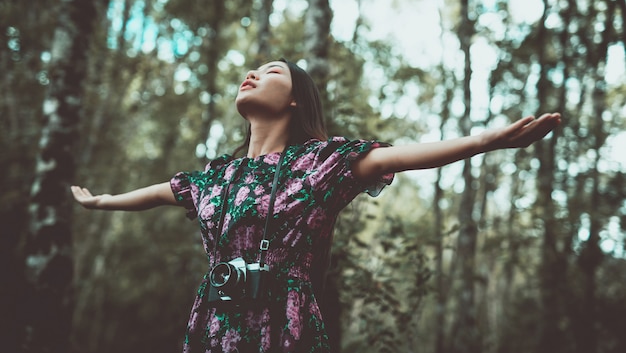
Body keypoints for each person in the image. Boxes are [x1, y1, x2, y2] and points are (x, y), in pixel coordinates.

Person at [71, 59, 561, 353]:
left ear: (295, 102)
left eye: (271, 72)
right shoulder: (216, 177)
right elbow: (157, 193)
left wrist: (485, 141)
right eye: (253, 69)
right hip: (215, 319)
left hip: (285, 320)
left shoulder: (320, 164)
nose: (252, 74)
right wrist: (102, 202)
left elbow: (403, 157)